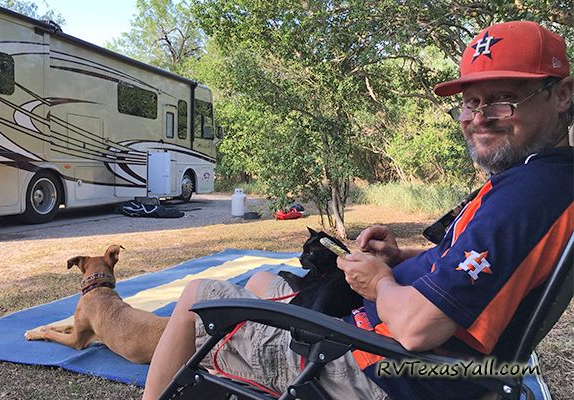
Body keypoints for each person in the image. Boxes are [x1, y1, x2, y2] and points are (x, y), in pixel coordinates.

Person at [142, 21, 573, 400]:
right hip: (401, 355)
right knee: (258, 280)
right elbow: (471, 269)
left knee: (199, 298)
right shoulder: (539, 179)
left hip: (376, 369)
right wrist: (398, 258)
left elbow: (418, 329)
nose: (480, 118)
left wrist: (379, 284)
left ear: (561, 96)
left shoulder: (526, 196)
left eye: (504, 100)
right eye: (471, 102)